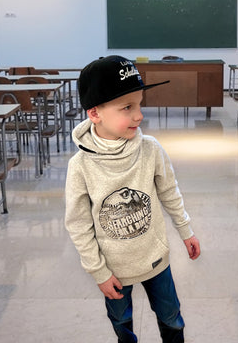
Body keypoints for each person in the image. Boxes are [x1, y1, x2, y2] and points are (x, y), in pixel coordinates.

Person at [65, 55, 201, 343]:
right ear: (95, 113)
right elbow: (78, 224)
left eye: (139, 104)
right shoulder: (80, 166)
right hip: (113, 268)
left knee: (171, 318)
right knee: (121, 322)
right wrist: (98, 271)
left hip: (155, 259)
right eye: (127, 107)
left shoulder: (150, 149)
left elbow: (169, 191)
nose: (139, 116)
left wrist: (185, 230)